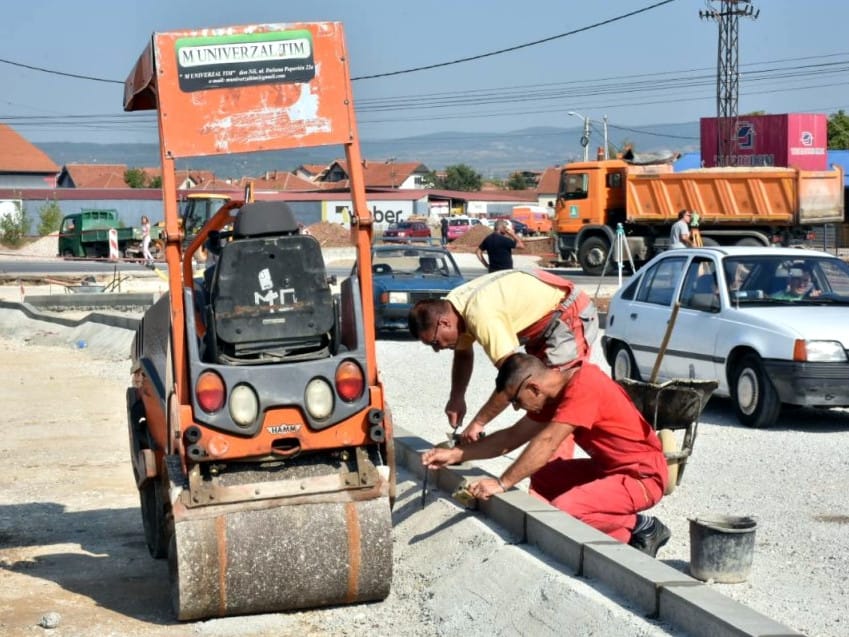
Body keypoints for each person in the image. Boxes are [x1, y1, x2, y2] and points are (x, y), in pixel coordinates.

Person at [422, 353, 671, 557]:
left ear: (533, 387)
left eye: (517, 401)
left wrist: (502, 483)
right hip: (609, 469)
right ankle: (602, 524)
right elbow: (511, 437)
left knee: (567, 511)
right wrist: (456, 453)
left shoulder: (585, 386)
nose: (518, 408)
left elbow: (548, 441)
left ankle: (641, 528)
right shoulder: (553, 395)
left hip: (643, 476)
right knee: (544, 478)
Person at [408, 268, 598, 445]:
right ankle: (544, 469)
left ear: (444, 323)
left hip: (568, 316)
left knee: (555, 401)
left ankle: (556, 471)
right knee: (538, 400)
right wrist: (457, 397)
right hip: (543, 328)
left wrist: (478, 422)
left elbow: (515, 377)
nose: (438, 349)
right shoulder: (453, 306)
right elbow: (463, 353)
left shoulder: (481, 315)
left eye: (434, 342)